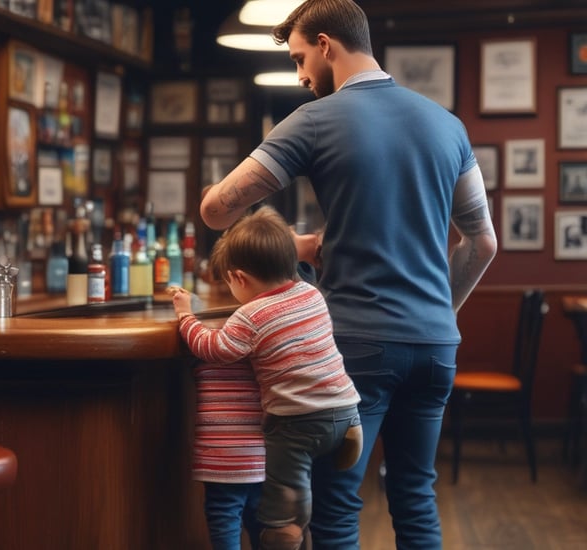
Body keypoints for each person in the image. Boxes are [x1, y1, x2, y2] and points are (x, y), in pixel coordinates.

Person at [198, 1, 498, 548]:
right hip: (435, 347)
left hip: (359, 344)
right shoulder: (447, 125)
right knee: (415, 494)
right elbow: (482, 241)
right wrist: (436, 311)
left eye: (299, 58)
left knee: (337, 504)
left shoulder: (315, 119)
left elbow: (217, 211)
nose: (300, 75)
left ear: (326, 44)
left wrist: (218, 204)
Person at [171, 206, 362, 550]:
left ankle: (286, 533)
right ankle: (349, 435)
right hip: (345, 406)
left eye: (230, 283)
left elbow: (213, 347)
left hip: (296, 422)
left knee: (288, 491)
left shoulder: (251, 315)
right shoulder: (312, 294)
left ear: (240, 278)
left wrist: (186, 315)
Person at [190, 358, 265, 550]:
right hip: (263, 444)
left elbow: (185, 330)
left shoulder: (203, 337)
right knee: (263, 519)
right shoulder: (264, 332)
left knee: (224, 517)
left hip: (219, 447)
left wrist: (187, 325)